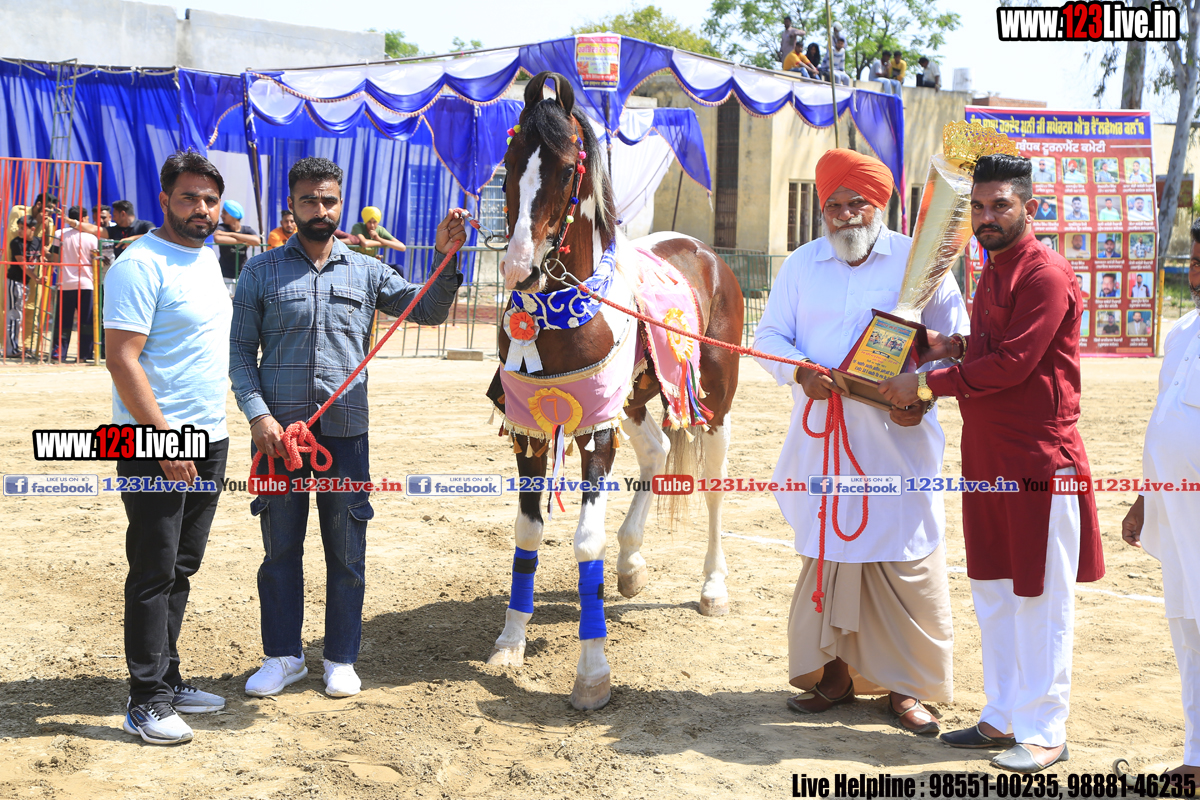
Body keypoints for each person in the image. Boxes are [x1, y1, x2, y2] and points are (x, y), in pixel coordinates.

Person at [878, 154, 1103, 774]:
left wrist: (926, 383)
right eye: (977, 207)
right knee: (994, 591)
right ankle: (1002, 715)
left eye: (1000, 205)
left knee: (1040, 598)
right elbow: (991, 351)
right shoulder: (992, 271)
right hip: (985, 460)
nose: (986, 217)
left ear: (1030, 206)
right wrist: (953, 346)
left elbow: (1015, 365)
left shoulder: (1045, 274)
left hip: (1039, 463)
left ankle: (1045, 729)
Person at [230, 157, 467, 700]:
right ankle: (283, 656)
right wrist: (258, 415)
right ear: (292, 206)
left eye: (329, 200)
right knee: (280, 551)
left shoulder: (368, 270)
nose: (320, 209)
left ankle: (340, 658)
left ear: (341, 203)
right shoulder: (259, 272)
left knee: (346, 551)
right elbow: (240, 353)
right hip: (277, 439)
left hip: (345, 434)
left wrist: (445, 257)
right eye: (309, 200)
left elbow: (427, 310)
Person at [753, 148, 968, 737]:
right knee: (831, 555)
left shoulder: (922, 262)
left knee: (904, 555)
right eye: (834, 206)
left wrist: (920, 390)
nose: (845, 215)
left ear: (880, 205)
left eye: (857, 204)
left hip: (899, 441)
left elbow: (958, 340)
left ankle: (907, 688)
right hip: (824, 438)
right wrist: (800, 371)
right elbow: (769, 335)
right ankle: (835, 676)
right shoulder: (803, 264)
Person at [104, 150, 233, 745]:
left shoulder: (206, 256)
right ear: (165, 200)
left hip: (209, 438)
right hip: (152, 439)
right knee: (153, 569)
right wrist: (161, 436)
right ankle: (145, 700)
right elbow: (121, 358)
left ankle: (168, 678)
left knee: (182, 565)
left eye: (209, 199)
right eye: (189, 197)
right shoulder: (139, 264)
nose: (201, 208)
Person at [1121, 222, 1200, 781]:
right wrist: (1145, 500)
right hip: (1176, 516)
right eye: (1193, 262)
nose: (1196, 274)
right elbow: (1165, 424)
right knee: (1187, 630)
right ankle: (1197, 755)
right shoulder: (1183, 331)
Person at [51, 206, 99, 362]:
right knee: (86, 322)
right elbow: (95, 262)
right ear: (83, 219)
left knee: (62, 322)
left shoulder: (59, 234)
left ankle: (59, 354)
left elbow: (55, 259)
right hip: (87, 284)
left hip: (65, 283)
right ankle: (84, 355)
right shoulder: (92, 237)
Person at [6, 216, 42, 358]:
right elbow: (23, 264)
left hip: (24, 283)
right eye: (19, 228)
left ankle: (14, 347)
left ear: (32, 229)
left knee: (18, 315)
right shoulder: (16, 243)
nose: (19, 231)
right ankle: (11, 349)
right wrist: (36, 278)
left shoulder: (38, 242)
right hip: (14, 281)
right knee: (14, 315)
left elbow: (43, 255)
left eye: (22, 228)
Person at [215, 200, 262, 297]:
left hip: (242, 274)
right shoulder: (221, 227)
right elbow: (218, 239)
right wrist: (244, 241)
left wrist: (230, 234)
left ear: (233, 216)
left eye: (224, 213)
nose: (221, 216)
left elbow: (257, 241)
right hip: (225, 274)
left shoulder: (246, 229)